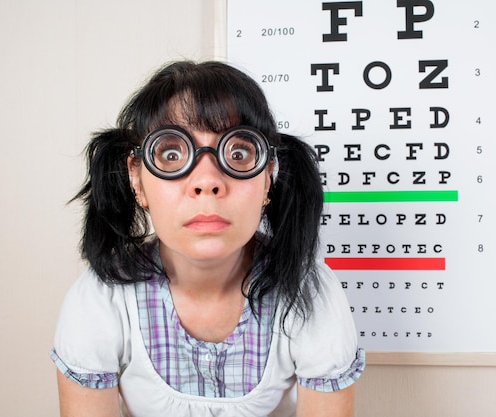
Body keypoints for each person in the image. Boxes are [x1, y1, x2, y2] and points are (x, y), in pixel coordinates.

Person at [50, 60, 365, 417]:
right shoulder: (101, 299)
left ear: (268, 178)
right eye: (171, 154)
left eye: (238, 153)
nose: (207, 181)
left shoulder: (310, 293)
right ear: (137, 179)